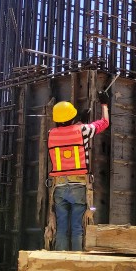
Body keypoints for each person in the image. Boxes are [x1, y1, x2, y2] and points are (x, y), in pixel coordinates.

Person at [45, 94, 109, 251]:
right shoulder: (83, 130)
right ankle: (76, 262)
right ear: (73, 117)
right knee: (77, 227)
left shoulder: (50, 134)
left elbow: (68, 135)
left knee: (61, 228)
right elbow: (104, 123)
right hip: (79, 186)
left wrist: (79, 122)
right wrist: (104, 104)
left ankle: (60, 266)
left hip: (58, 187)